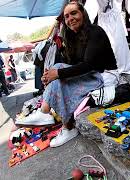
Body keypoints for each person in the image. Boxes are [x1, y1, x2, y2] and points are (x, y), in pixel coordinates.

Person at [15, 1, 118, 147]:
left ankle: (49, 115)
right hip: (90, 75)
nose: (70, 19)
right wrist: (50, 76)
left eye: (74, 13)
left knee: (59, 72)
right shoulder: (72, 38)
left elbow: (88, 65)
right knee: (59, 73)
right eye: (67, 16)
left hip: (105, 76)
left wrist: (57, 73)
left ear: (83, 13)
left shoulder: (95, 31)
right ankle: (62, 123)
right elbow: (72, 66)